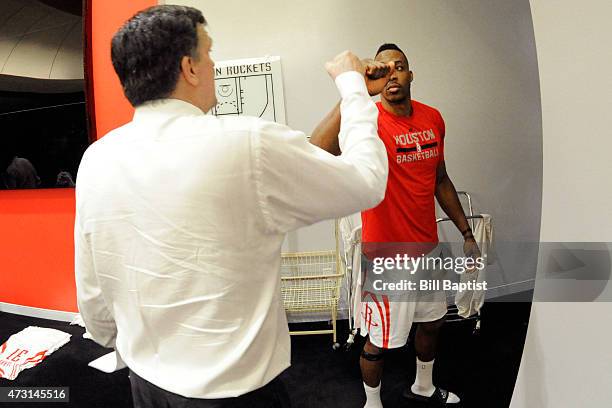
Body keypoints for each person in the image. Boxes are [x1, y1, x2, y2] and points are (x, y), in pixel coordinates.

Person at [74, 5, 389, 408]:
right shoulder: (246, 142)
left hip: (145, 385)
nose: (215, 65)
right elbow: (366, 181)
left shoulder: (97, 159)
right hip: (232, 395)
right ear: (189, 67)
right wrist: (351, 83)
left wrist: (129, 347)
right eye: (209, 52)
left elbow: (93, 290)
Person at [310, 43, 480, 407]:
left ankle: (423, 386)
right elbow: (318, 149)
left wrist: (466, 232)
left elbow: (440, 179)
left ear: (410, 74)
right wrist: (355, 90)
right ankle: (373, 403)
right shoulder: (365, 120)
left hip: (429, 248)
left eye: (398, 67)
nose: (391, 75)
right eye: (382, 69)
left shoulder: (433, 118)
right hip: (387, 255)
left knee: (432, 322)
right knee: (379, 340)